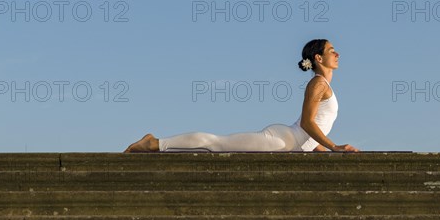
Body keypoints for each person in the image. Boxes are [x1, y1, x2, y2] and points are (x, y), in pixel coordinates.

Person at [123, 39, 359, 153]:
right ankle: (154, 143)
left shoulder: (324, 85)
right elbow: (307, 124)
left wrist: (325, 152)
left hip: (291, 144)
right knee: (217, 144)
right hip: (282, 140)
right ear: (318, 58)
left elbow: (312, 134)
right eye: (331, 51)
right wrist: (334, 147)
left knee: (218, 145)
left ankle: (155, 144)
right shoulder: (318, 84)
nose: (337, 53)